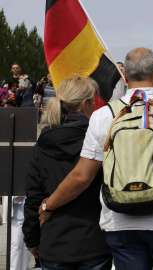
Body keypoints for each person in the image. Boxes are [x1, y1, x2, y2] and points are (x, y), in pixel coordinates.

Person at [37, 48, 153, 270]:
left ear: (125, 76)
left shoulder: (103, 115)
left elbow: (82, 176)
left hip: (122, 221)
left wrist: (48, 204)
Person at [23, 75, 112, 269]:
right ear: (86, 104)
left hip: (54, 242)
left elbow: (33, 196)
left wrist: (31, 238)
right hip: (93, 242)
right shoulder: (100, 142)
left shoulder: (43, 144)